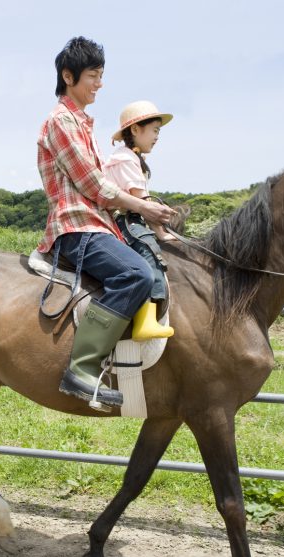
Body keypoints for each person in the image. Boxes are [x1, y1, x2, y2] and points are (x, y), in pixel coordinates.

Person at [36, 37, 176, 408]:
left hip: (99, 224)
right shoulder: (60, 122)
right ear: (69, 76)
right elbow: (96, 186)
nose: (100, 84)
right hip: (76, 227)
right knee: (135, 275)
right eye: (93, 76)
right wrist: (144, 209)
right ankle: (81, 369)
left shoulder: (83, 125)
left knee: (153, 262)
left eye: (101, 76)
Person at [104, 100, 175, 312]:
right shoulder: (125, 159)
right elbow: (143, 201)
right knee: (148, 253)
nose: (157, 137)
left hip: (130, 217)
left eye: (158, 132)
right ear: (135, 129)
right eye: (154, 130)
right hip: (124, 220)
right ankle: (147, 316)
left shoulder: (132, 157)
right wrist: (160, 233)